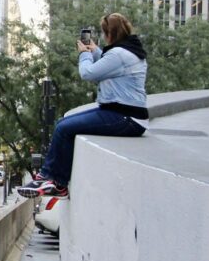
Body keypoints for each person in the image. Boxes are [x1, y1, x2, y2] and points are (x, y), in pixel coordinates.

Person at [19, 13, 148, 199]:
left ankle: (51, 179)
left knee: (63, 128)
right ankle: (55, 182)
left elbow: (88, 74)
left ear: (109, 34)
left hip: (125, 118)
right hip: (123, 112)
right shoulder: (129, 50)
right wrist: (96, 51)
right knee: (63, 123)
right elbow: (110, 63)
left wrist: (85, 55)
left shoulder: (119, 54)